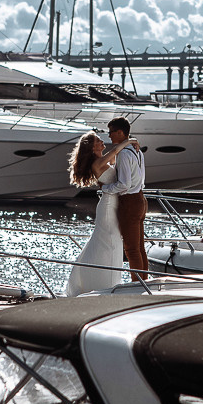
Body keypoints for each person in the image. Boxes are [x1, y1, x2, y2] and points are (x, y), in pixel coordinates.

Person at [64, 130, 136, 295]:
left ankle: (104, 281)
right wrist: (130, 140)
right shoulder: (97, 163)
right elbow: (116, 151)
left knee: (110, 243)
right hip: (108, 207)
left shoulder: (102, 160)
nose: (102, 141)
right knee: (109, 244)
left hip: (113, 204)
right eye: (98, 140)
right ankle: (104, 285)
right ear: (92, 147)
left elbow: (117, 159)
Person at [104, 117, 148, 282]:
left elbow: (123, 184)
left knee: (131, 249)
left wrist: (105, 189)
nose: (109, 136)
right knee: (140, 248)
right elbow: (140, 179)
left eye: (111, 132)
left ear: (120, 132)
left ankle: (138, 284)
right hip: (141, 199)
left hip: (130, 202)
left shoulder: (123, 154)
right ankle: (144, 281)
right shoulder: (137, 150)